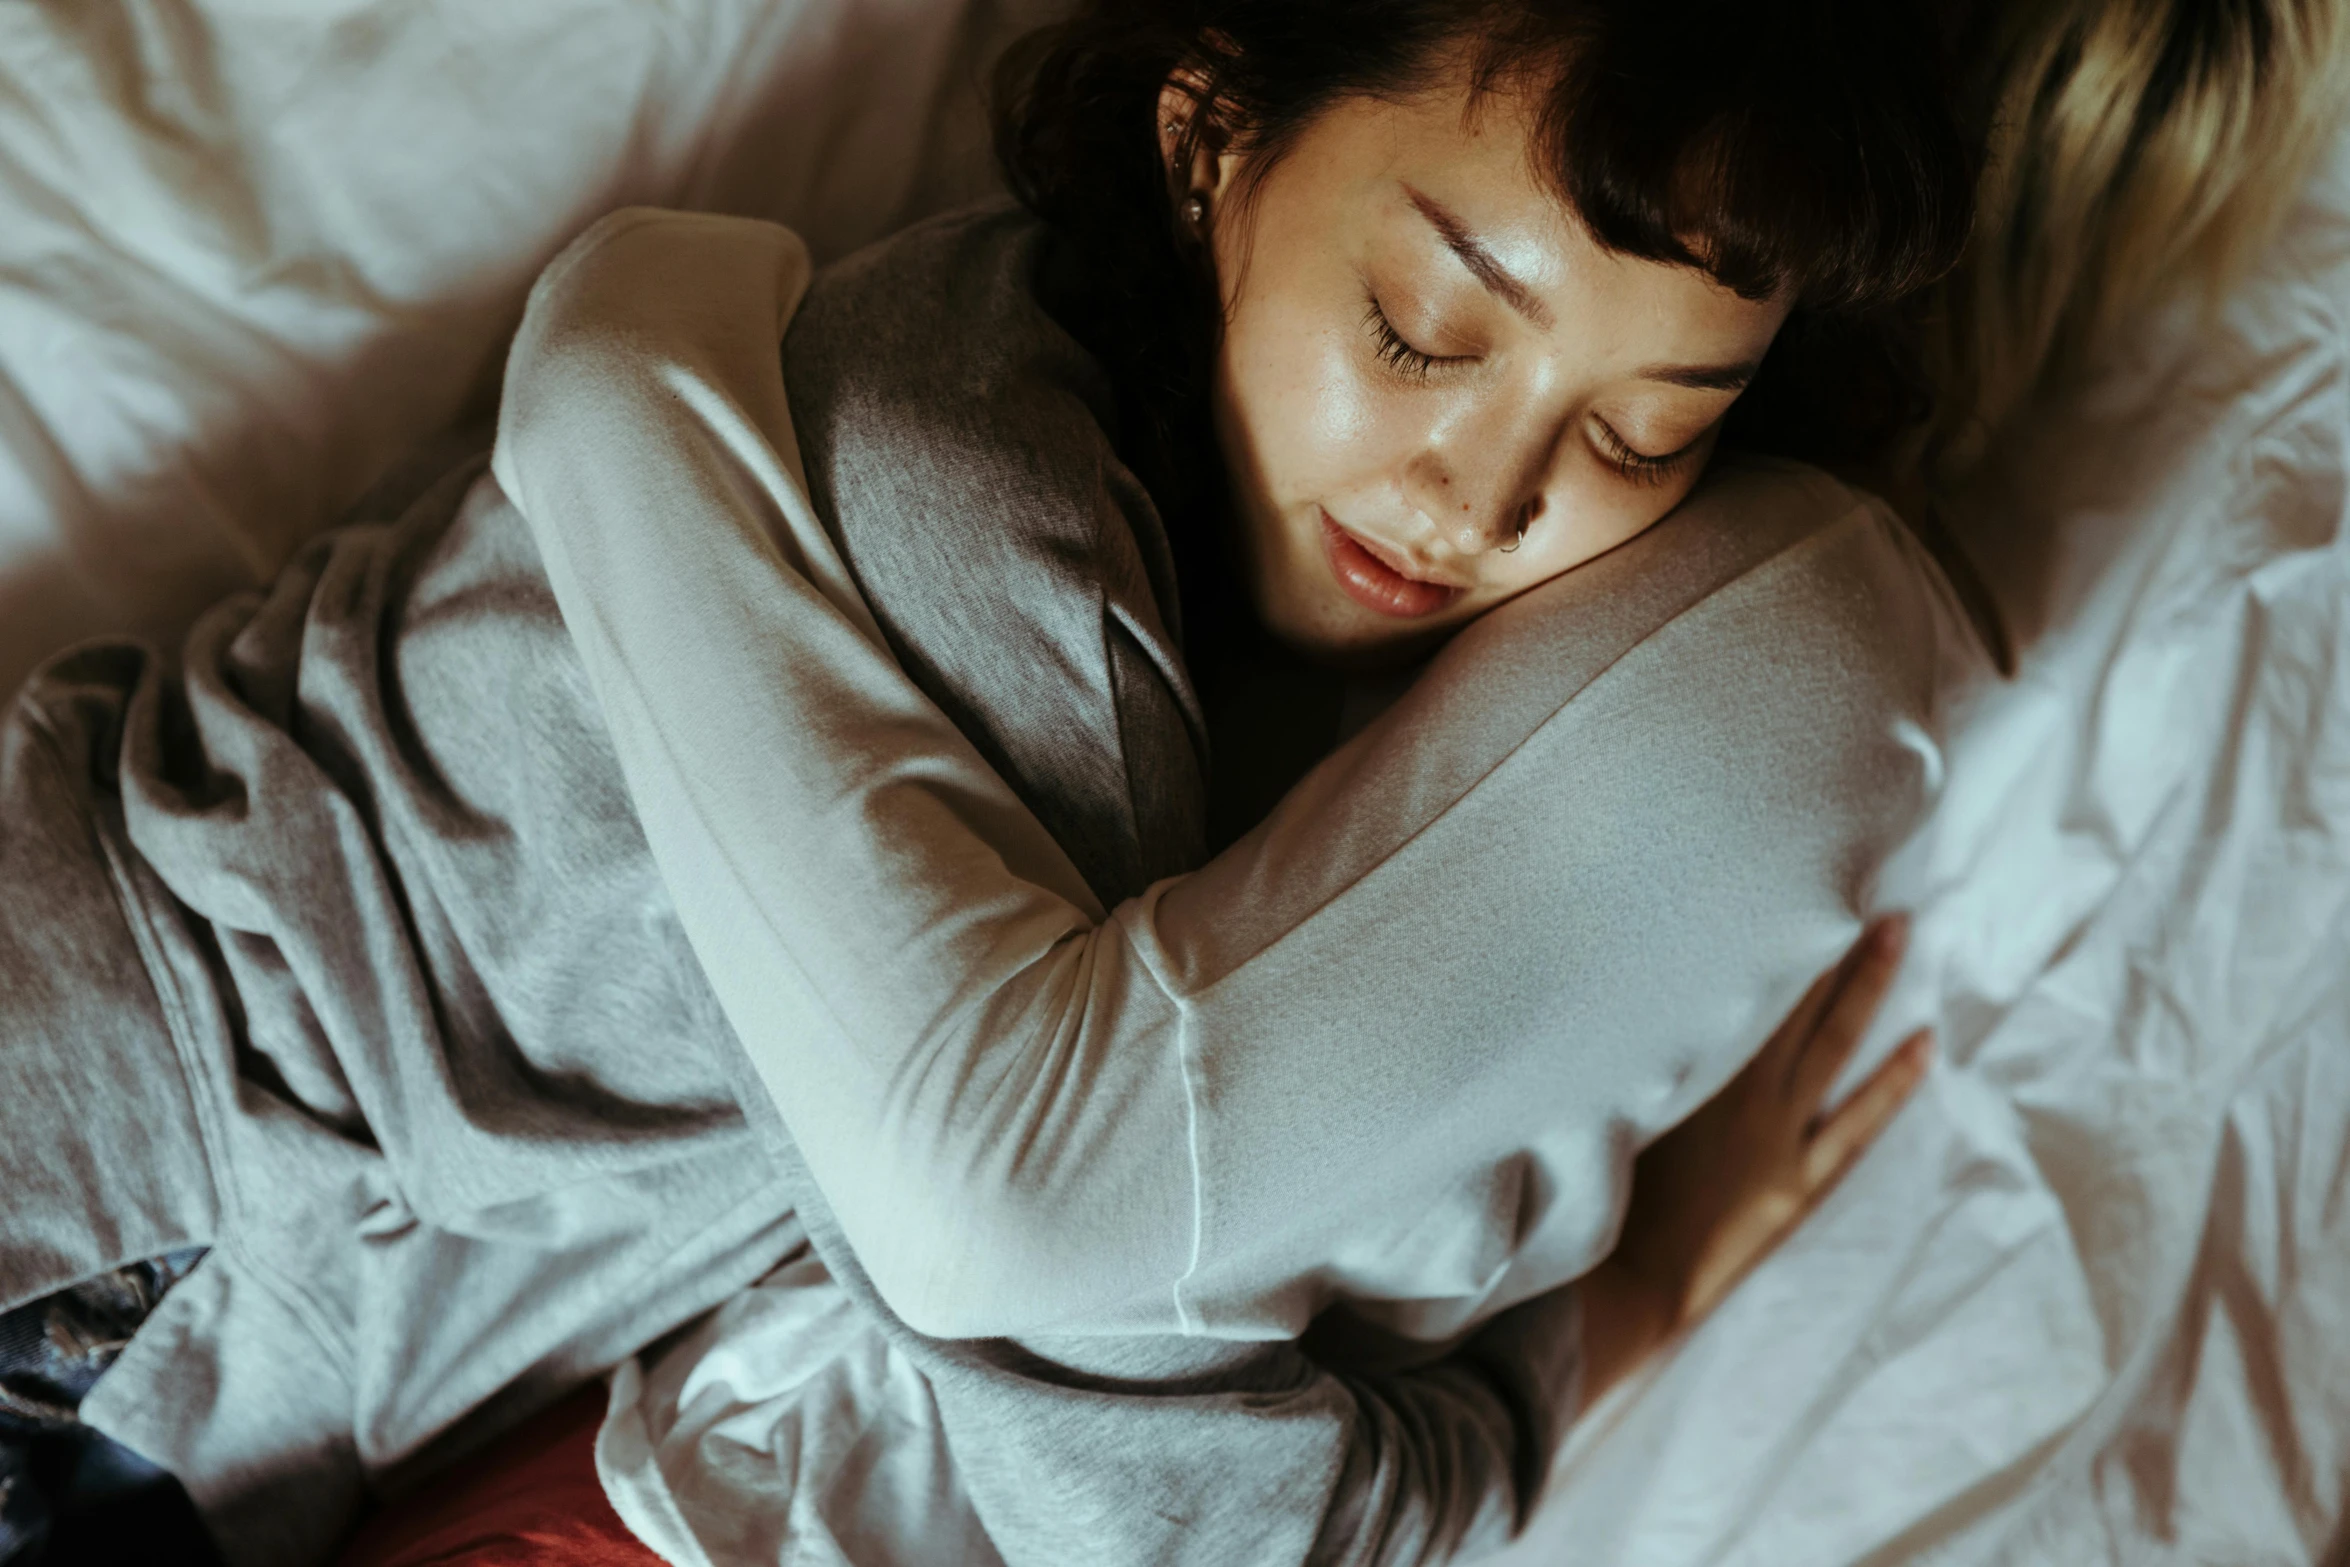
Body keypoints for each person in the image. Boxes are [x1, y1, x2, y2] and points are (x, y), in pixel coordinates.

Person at [29, 0, 2310, 1558]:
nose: (1482, 487)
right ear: (1207, 133)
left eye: (1644, 433)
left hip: (243, 1381)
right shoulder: (940, 516)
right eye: (1425, 329)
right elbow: (1103, 1374)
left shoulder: (1258, 730)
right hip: (113, 1135)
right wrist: (1542, 1381)